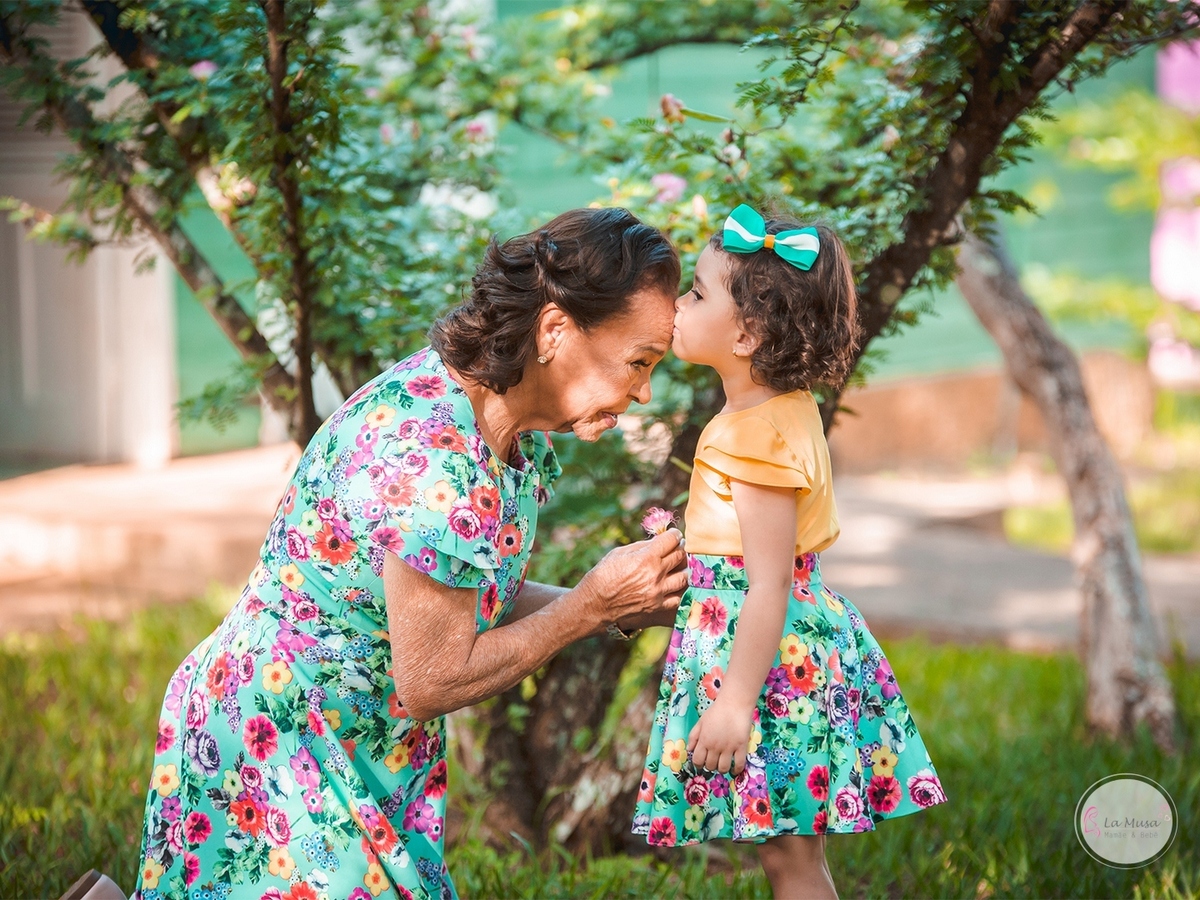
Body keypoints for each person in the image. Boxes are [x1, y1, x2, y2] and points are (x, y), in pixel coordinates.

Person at [133, 207, 689, 900]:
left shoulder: (508, 427)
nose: (642, 392)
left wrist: (632, 606)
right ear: (554, 331)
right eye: (638, 363)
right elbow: (429, 679)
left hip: (356, 741)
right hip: (278, 738)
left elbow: (460, 595)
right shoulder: (434, 454)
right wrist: (587, 607)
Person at [632, 205, 947, 898]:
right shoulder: (782, 410)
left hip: (772, 667)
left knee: (790, 859)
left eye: (696, 294)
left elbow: (768, 581)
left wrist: (735, 703)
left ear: (745, 333)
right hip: (780, 650)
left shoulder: (751, 435)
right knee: (788, 855)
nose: (679, 304)